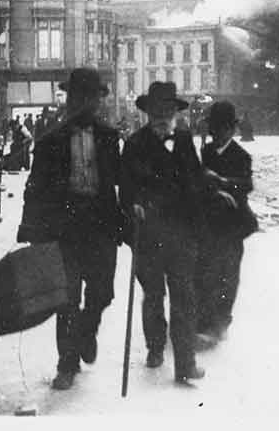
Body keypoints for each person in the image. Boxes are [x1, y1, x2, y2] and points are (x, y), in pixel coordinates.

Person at [16, 68, 124, 391]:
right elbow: (34, 187)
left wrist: (134, 204)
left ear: (97, 100)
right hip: (65, 228)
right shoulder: (50, 139)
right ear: (70, 98)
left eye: (90, 98)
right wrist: (30, 229)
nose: (84, 104)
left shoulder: (108, 136)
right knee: (66, 297)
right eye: (78, 97)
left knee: (102, 293)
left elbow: (121, 179)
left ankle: (88, 329)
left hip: (101, 226)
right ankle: (67, 363)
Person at [120, 81, 206, 385]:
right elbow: (125, 191)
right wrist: (133, 207)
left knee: (184, 296)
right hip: (148, 235)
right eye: (157, 110)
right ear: (147, 112)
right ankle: (155, 348)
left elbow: (195, 182)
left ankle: (186, 363)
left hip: (180, 234)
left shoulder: (184, 141)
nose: (162, 116)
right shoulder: (134, 144)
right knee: (154, 295)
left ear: (174, 113)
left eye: (167, 110)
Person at [195, 101, 257, 350]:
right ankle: (206, 322)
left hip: (233, 225)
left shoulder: (242, 156)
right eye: (214, 129)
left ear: (232, 130)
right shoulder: (207, 152)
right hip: (209, 223)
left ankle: (220, 323)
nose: (217, 134)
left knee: (228, 276)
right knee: (206, 271)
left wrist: (220, 182)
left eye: (222, 129)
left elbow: (246, 184)